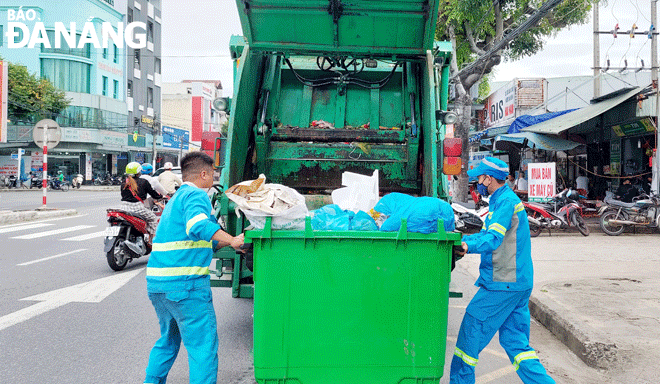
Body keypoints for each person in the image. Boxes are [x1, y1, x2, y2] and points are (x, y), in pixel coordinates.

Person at [450, 157, 555, 384]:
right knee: (516, 345)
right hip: (517, 283)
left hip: (503, 284)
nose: (477, 182)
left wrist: (468, 246)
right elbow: (487, 233)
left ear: (488, 179)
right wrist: (462, 239)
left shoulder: (506, 203)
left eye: (479, 178)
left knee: (470, 335)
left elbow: (493, 239)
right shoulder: (501, 201)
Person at [144, 152, 245, 384]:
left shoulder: (176, 200)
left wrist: (230, 243)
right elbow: (198, 225)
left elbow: (198, 238)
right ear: (203, 174)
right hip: (185, 286)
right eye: (213, 173)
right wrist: (233, 240)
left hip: (159, 286)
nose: (214, 178)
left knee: (167, 342)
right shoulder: (196, 195)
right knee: (202, 346)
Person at [119, 162, 163, 238]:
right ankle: (152, 241)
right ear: (138, 172)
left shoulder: (123, 183)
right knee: (153, 219)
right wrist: (160, 196)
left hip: (123, 207)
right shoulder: (143, 182)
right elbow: (154, 194)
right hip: (137, 208)